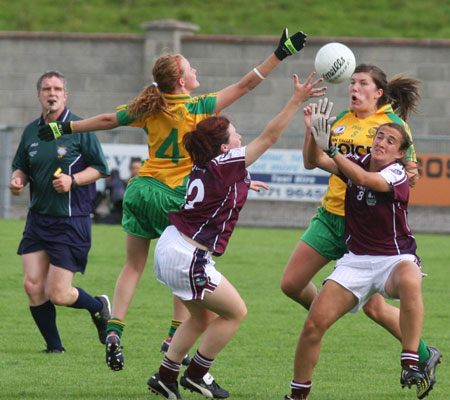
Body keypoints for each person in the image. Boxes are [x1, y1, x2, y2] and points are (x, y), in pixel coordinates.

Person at [37, 28, 309, 370]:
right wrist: (280, 53)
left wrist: (65, 128)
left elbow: (107, 120)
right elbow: (245, 86)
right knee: (181, 264)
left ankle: (115, 329)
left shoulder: (147, 106)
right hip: (174, 198)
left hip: (140, 190)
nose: (195, 72)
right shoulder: (197, 106)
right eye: (190, 68)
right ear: (180, 80)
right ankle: (174, 332)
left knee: (132, 266)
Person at [147, 72, 325, 400]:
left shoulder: (207, 164)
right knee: (236, 312)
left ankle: (166, 376)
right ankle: (198, 376)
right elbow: (270, 137)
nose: (240, 136)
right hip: (190, 255)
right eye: (235, 133)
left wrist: (244, 183)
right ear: (224, 146)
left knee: (202, 317)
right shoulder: (224, 162)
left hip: (171, 245)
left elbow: (220, 185)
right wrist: (296, 99)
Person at [280, 64, 441, 398]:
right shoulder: (340, 120)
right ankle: (331, 309)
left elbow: (400, 174)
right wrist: (312, 133)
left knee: (386, 298)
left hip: (377, 231)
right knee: (292, 285)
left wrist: (400, 173)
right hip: (335, 218)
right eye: (351, 82)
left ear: (378, 91)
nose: (354, 87)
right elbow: (315, 162)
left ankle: (417, 354)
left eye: (362, 82)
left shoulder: (392, 126)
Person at [9, 71, 111, 353]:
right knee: (32, 285)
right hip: (38, 219)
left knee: (58, 294)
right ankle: (55, 348)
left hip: (71, 222)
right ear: (39, 95)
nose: (51, 93)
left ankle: (97, 306)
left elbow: (101, 168)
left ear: (65, 95)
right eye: (46, 89)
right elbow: (22, 166)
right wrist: (18, 180)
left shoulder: (79, 128)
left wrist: (73, 180)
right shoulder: (32, 131)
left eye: (57, 89)